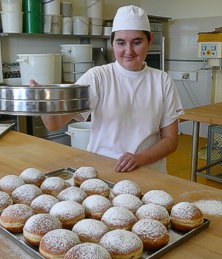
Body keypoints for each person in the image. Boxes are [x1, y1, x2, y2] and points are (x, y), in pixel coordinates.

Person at [33, 5, 184, 173]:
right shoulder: (98, 77)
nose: (129, 51)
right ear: (112, 42)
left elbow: (171, 140)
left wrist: (139, 159)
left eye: (137, 42)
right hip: (104, 172)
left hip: (150, 172)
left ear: (150, 40)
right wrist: (42, 99)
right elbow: (54, 124)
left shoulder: (162, 81)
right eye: (121, 43)